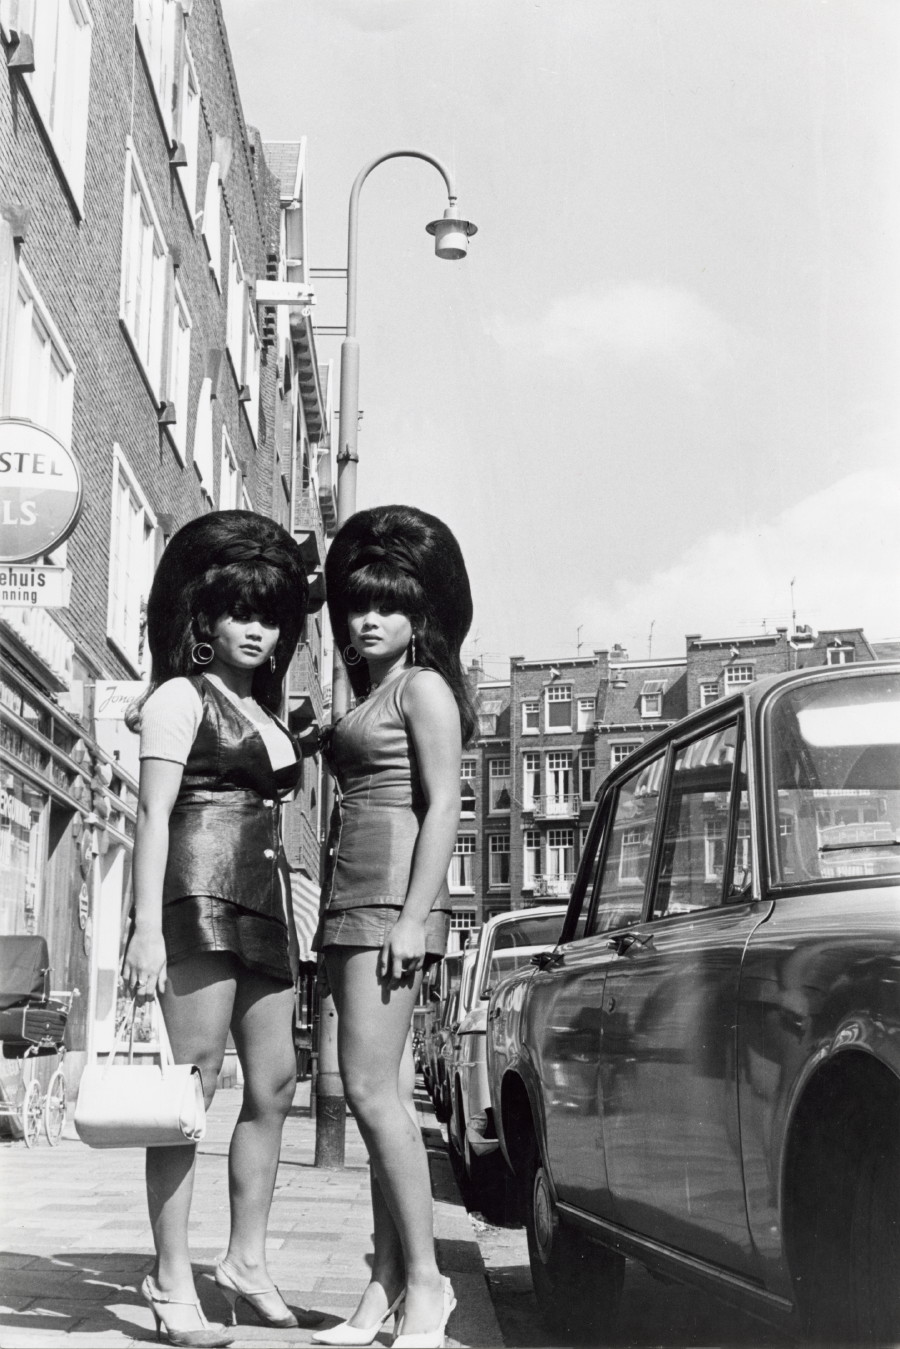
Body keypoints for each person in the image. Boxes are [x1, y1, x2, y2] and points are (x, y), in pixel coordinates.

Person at [121, 510, 322, 1347]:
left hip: (266, 899)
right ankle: (171, 1280)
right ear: (204, 620)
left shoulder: (262, 706)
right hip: (198, 896)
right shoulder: (177, 696)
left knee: (273, 1081)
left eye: (270, 615)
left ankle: (244, 1260)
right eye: (241, 612)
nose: (256, 629)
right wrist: (143, 928)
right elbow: (155, 815)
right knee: (188, 1093)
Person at [313, 504, 476, 1349]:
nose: (366, 618)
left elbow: (445, 803)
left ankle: (427, 1283)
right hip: (350, 901)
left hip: (389, 906)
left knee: (375, 1093)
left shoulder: (423, 687)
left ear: (419, 619)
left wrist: (415, 916)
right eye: (357, 605)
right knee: (373, 1096)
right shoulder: (374, 691)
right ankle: (381, 1285)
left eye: (387, 606)